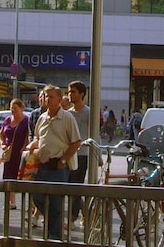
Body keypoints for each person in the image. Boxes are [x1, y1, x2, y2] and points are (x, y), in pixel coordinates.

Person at [26, 85, 81, 240]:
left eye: (51, 96)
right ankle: (53, 227)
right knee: (37, 197)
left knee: (56, 203)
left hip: (58, 167)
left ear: (59, 99)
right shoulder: (42, 118)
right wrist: (33, 145)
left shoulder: (67, 118)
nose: (47, 99)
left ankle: (54, 236)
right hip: (42, 165)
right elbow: (38, 137)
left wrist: (63, 160)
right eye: (45, 96)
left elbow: (76, 142)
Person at [65, 81, 90, 227]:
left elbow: (95, 136)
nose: (70, 94)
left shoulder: (88, 112)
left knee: (75, 186)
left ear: (82, 94)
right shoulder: (68, 114)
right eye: (69, 92)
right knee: (71, 187)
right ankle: (85, 211)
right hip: (69, 153)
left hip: (82, 154)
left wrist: (97, 156)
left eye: (73, 92)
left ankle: (72, 218)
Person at [0, 98, 29, 207]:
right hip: (9, 151)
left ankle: (28, 203)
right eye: (11, 108)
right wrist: (2, 143)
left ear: (21, 108)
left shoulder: (26, 121)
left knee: (20, 176)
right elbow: (1, 133)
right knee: (8, 176)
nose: (13, 110)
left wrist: (25, 147)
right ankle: (11, 201)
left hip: (20, 152)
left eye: (15, 108)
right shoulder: (7, 120)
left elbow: (27, 136)